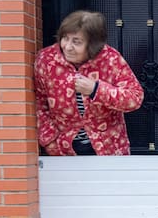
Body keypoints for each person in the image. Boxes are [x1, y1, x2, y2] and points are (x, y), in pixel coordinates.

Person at [34, 10, 144, 155]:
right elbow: (38, 102)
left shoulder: (110, 59)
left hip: (108, 148)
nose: (67, 46)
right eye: (65, 38)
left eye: (76, 42)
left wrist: (96, 89)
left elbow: (134, 98)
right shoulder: (46, 60)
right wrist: (49, 140)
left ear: (93, 44)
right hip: (63, 149)